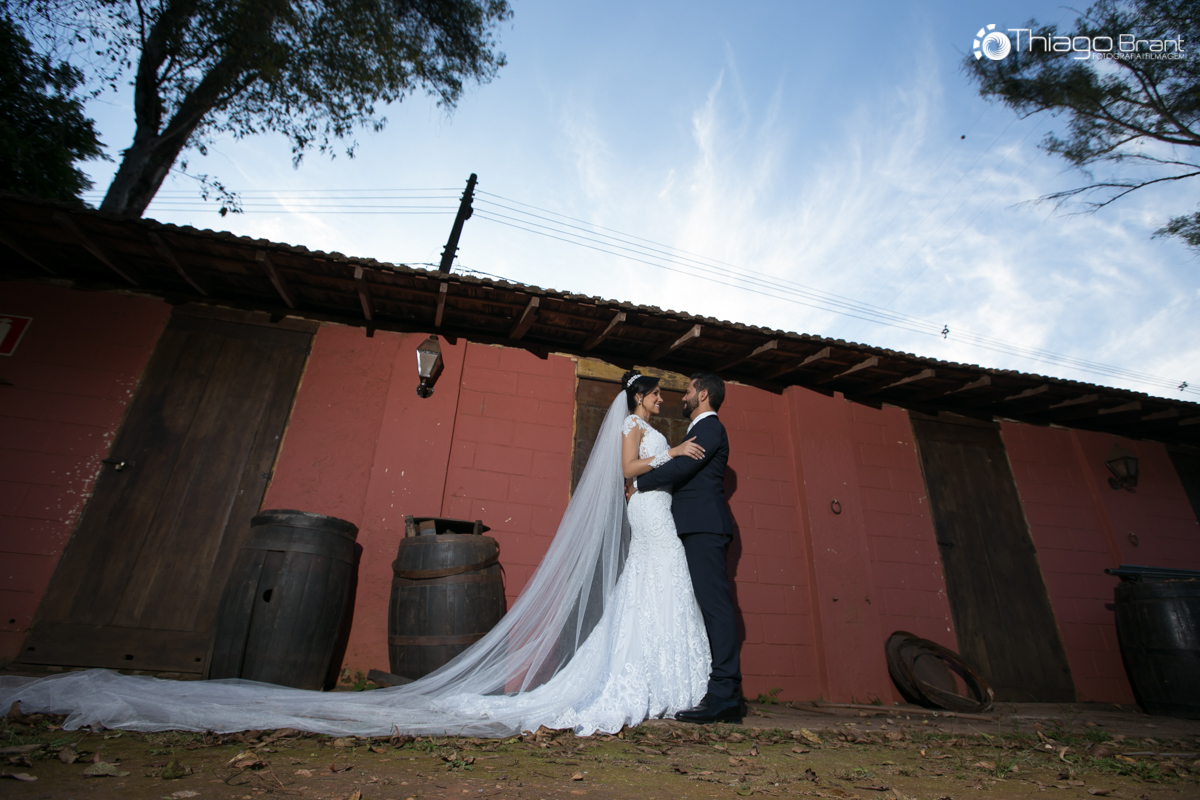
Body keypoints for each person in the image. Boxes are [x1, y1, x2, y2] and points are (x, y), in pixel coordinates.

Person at [0, 371, 713, 738]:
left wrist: (672, 455)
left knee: (648, 595)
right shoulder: (630, 429)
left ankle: (657, 680)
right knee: (649, 587)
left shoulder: (650, 426)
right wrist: (674, 454)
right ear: (641, 397)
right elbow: (624, 478)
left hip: (656, 519)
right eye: (655, 395)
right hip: (646, 511)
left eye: (661, 398)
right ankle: (639, 684)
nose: (660, 402)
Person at [634, 372, 743, 724]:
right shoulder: (699, 429)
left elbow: (682, 466)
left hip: (705, 528)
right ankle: (716, 691)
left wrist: (638, 482)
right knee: (703, 607)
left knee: (715, 607)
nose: (683, 396)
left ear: (705, 394)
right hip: (693, 528)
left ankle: (725, 695)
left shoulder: (711, 428)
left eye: (688, 390)